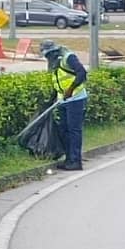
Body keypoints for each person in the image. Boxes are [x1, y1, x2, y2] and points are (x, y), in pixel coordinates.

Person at [40, 39, 88, 171]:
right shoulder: (53, 63)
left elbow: (82, 73)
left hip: (76, 99)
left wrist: (71, 89)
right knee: (63, 130)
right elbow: (58, 83)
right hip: (63, 100)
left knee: (74, 130)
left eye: (49, 54)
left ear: (54, 52)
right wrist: (51, 99)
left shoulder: (68, 58)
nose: (47, 58)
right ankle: (69, 159)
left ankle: (76, 161)